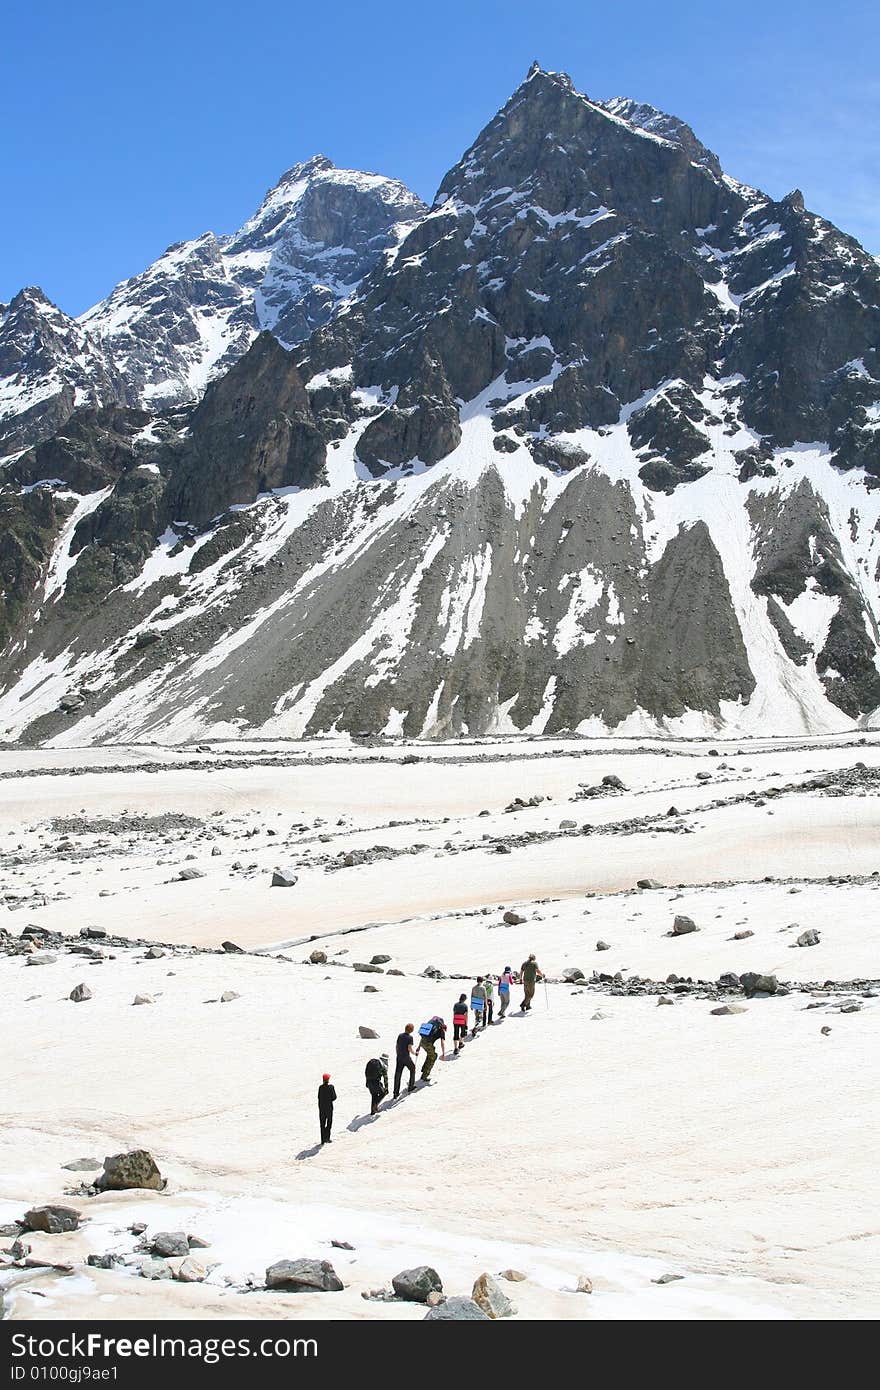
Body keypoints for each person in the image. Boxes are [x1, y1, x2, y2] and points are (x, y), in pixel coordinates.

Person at [415, 1016, 446, 1082]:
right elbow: (442, 1043)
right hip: (428, 1044)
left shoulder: (431, 1027)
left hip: (423, 1043)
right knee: (434, 1056)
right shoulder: (441, 1030)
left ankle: (424, 1069)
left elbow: (423, 1037)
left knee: (430, 1054)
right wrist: (443, 1053)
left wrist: (419, 1047)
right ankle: (425, 1075)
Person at [393, 1023, 416, 1097]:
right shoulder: (410, 1038)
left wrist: (398, 1054)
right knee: (413, 1069)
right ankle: (411, 1087)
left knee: (398, 1074)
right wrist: (415, 1053)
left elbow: (397, 1046)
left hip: (399, 1057)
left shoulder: (400, 1035)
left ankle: (395, 1093)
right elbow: (409, 1048)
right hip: (406, 1058)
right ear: (411, 1030)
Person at [318, 1073, 336, 1145]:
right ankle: (327, 1138)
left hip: (322, 1109)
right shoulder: (331, 1087)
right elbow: (334, 1097)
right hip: (329, 1108)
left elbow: (319, 1097)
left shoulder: (320, 1087)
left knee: (322, 1124)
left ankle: (322, 1140)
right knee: (329, 1122)